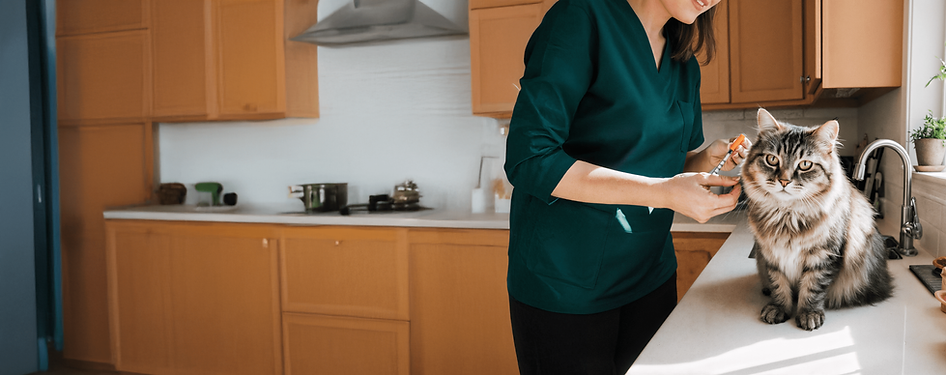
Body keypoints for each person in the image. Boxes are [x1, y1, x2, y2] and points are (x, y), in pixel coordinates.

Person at [503, 0, 750, 373]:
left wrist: (707, 160)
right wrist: (662, 192)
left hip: (650, 277)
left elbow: (662, 168)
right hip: (567, 283)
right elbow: (530, 158)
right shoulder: (580, 18)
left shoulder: (685, 64)